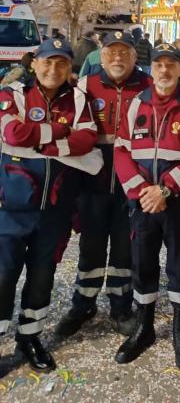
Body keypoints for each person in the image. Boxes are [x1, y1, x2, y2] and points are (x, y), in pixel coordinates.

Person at [0, 38, 102, 371]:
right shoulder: (12, 93)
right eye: (47, 61)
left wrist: (47, 143)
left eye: (61, 63)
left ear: (70, 67)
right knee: (3, 276)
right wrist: (59, 131)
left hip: (55, 211)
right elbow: (13, 133)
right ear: (34, 63)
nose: (53, 69)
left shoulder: (79, 99)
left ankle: (30, 337)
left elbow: (87, 138)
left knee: (42, 276)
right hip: (10, 209)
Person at [113, 43, 180, 367]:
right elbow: (122, 150)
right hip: (142, 203)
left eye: (171, 65)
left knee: (179, 268)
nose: (165, 71)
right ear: (150, 68)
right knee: (143, 265)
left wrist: (165, 189)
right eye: (159, 65)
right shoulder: (136, 104)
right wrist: (141, 190)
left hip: (177, 203)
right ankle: (144, 327)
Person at [56, 31, 152, 338]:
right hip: (92, 183)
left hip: (131, 182)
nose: (118, 58)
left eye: (124, 53)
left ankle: (120, 304)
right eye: (112, 52)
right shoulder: (85, 85)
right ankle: (83, 303)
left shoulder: (147, 87)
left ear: (134, 57)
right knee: (90, 246)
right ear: (102, 55)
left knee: (125, 250)